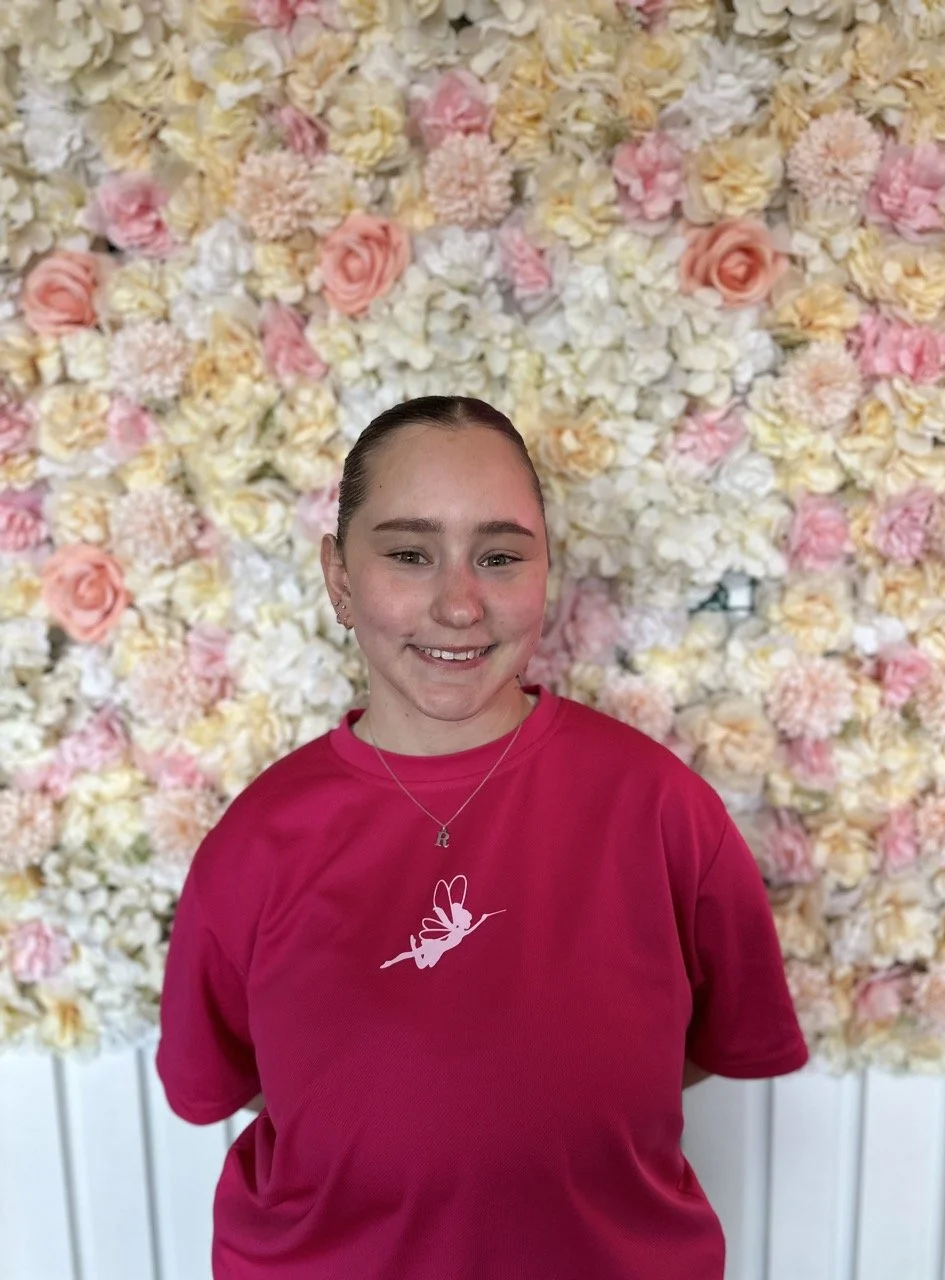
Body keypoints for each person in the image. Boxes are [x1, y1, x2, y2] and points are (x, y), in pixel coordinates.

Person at [156, 395, 809, 1280]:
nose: (459, 604)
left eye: (498, 557)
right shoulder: (256, 843)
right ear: (340, 578)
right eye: (409, 554)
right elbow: (237, 1082)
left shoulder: (661, 808)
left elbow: (699, 1049)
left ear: (546, 571)